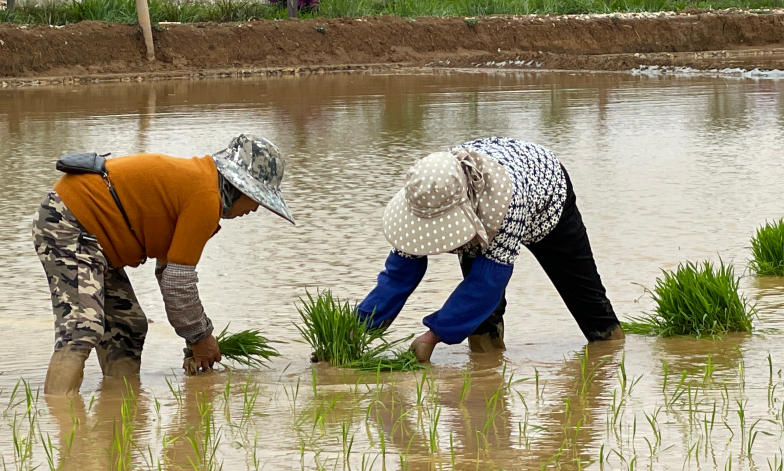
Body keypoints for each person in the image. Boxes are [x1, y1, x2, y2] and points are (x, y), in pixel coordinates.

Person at [33, 134, 294, 395]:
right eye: (258, 198)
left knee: (128, 326)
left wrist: (195, 338)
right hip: (69, 220)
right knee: (82, 327)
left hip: (94, 233)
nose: (257, 208)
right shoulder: (206, 196)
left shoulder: (198, 186)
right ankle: (58, 415)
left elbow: (168, 274)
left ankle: (118, 411)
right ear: (241, 187)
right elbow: (177, 283)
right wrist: (201, 338)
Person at [357, 137, 623, 362]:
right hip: (488, 196)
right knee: (483, 322)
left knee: (586, 298)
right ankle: (487, 382)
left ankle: (611, 358)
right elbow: (398, 274)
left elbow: (486, 284)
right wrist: (354, 330)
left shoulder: (503, 202)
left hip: (546, 194)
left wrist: (432, 336)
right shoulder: (427, 192)